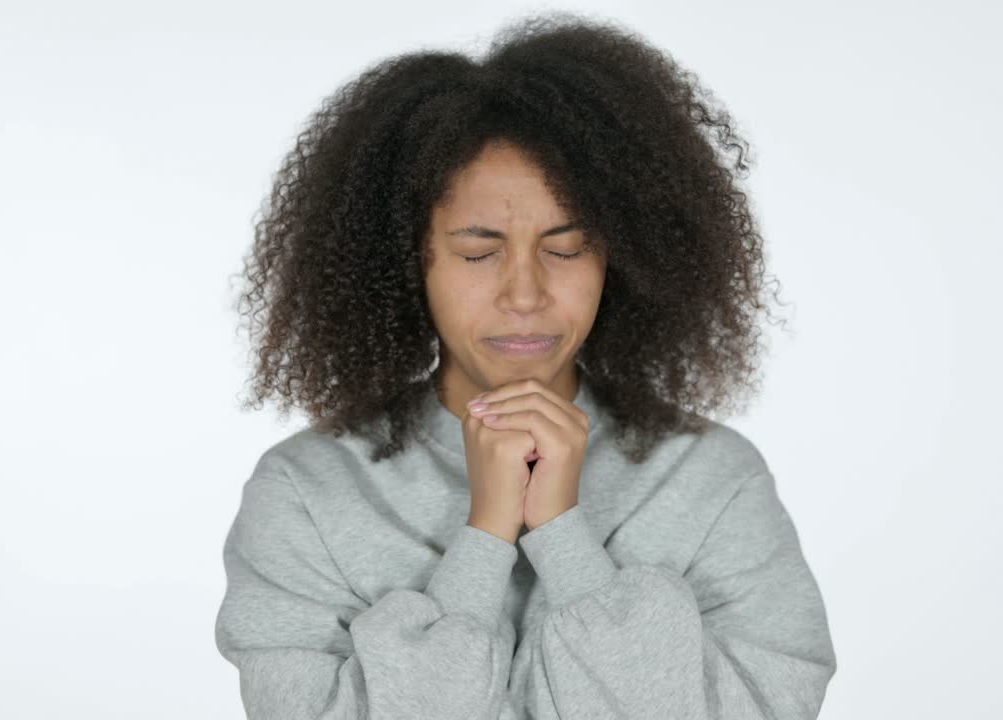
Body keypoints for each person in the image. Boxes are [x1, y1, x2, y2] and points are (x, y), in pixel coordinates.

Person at [214, 11, 836, 719]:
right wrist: (485, 534)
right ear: (404, 264)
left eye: (566, 248)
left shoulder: (713, 480)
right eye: (479, 253)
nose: (525, 294)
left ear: (622, 256)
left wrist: (563, 532)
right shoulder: (307, 493)